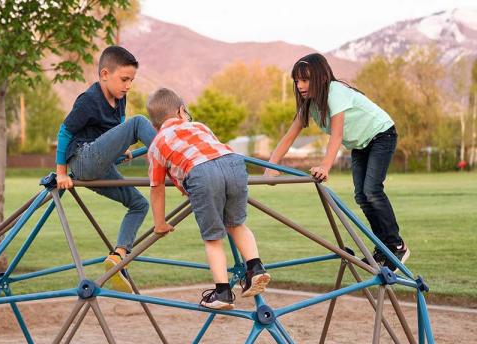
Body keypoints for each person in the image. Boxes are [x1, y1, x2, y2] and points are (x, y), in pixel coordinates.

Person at [265, 53, 409, 271]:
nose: (300, 85)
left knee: (372, 191)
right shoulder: (308, 105)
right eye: (296, 81)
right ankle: (383, 247)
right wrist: (270, 167)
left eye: (305, 80)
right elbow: (289, 135)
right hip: (361, 144)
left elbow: (337, 134)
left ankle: (396, 245)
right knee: (361, 196)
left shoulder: (335, 92)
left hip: (382, 134)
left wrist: (325, 166)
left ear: (321, 78)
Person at [146, 88, 270, 310]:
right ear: (182, 111)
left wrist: (160, 223)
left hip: (201, 173)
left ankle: (223, 292)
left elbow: (157, 188)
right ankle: (255, 268)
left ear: (155, 125)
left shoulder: (157, 144)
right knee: (236, 224)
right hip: (233, 162)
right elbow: (213, 153)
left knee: (213, 237)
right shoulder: (199, 126)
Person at [55, 45, 158, 292]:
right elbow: (65, 132)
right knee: (139, 122)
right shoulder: (89, 100)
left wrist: (119, 148)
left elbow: (117, 127)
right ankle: (171, 154)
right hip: (83, 158)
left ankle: (118, 256)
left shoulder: (120, 99)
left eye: (131, 80)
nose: (128, 86)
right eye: (124, 79)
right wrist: (60, 173)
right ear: (104, 74)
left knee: (139, 204)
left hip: (100, 164)